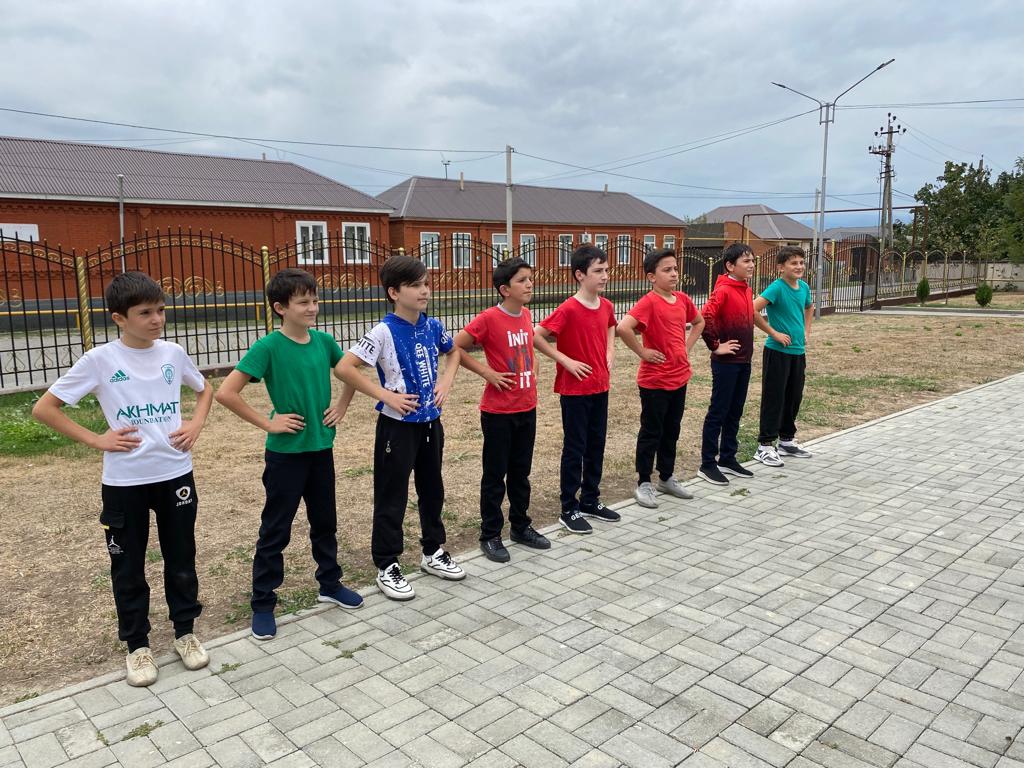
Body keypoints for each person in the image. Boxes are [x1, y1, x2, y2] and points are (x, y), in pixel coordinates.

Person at [32, 272, 214, 686]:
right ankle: (138, 646)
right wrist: (97, 439)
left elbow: (204, 390)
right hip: (125, 482)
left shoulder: (173, 353)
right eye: (145, 313)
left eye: (161, 310)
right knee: (128, 566)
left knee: (181, 557)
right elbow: (45, 408)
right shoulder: (100, 360)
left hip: (175, 473)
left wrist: (196, 423)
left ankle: (185, 634)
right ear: (119, 318)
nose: (157, 319)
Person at [216, 268, 363, 642]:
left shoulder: (324, 341)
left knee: (325, 522)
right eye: (303, 302)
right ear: (281, 308)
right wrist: (269, 423)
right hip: (286, 455)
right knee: (276, 529)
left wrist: (342, 405)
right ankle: (263, 603)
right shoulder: (268, 347)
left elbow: (351, 371)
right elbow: (226, 393)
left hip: (321, 449)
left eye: (315, 300)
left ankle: (330, 584)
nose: (312, 308)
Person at [338, 255, 464, 601]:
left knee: (432, 488)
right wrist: (385, 396)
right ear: (394, 292)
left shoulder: (432, 325)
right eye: (415, 285)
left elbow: (453, 352)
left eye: (426, 283)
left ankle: (433, 551)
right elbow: (345, 367)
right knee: (392, 495)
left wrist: (445, 382)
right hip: (397, 428)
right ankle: (387, 564)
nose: (424, 291)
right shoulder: (382, 331)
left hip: (431, 423)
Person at [454, 257, 551, 562]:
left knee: (521, 473)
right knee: (495, 476)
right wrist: (487, 372)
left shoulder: (526, 314)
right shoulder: (488, 318)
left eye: (530, 278)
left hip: (527, 407)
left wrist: (534, 366)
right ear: (504, 289)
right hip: (498, 413)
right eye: (522, 280)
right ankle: (490, 535)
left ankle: (521, 527)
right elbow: (455, 346)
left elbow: (527, 346)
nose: (530, 284)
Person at [535, 244, 621, 534]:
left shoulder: (606, 305)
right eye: (598, 271)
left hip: (600, 386)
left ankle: (590, 500)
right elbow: (537, 336)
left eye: (606, 270)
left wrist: (610, 350)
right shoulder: (568, 308)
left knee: (596, 444)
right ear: (580, 275)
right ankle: (568, 508)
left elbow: (611, 325)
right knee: (575, 448)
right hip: (574, 391)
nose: (605, 276)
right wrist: (565, 360)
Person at [617, 248, 705, 508]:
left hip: (680, 377)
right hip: (655, 381)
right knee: (651, 431)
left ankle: (666, 478)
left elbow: (699, 322)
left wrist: (686, 348)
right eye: (667, 270)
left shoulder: (682, 299)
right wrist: (642, 351)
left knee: (672, 430)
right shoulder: (649, 302)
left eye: (675, 268)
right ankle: (643, 482)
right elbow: (623, 327)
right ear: (651, 277)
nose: (674, 273)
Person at [697, 243, 765, 486]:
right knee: (718, 411)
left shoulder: (745, 288)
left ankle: (727, 458)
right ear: (730, 265)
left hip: (743, 361)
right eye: (746, 261)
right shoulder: (724, 289)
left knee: (735, 411)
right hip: (726, 364)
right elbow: (705, 316)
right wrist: (716, 346)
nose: (751, 265)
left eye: (752, 260)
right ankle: (707, 464)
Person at [754, 246, 814, 467]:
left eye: (801, 262)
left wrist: (806, 331)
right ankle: (765, 445)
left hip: (798, 352)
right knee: (775, 397)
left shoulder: (804, 287)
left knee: (793, 397)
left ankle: (786, 441)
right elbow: (752, 310)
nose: (799, 267)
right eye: (793, 263)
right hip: (777, 352)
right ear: (781, 267)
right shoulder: (777, 288)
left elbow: (809, 308)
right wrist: (773, 333)